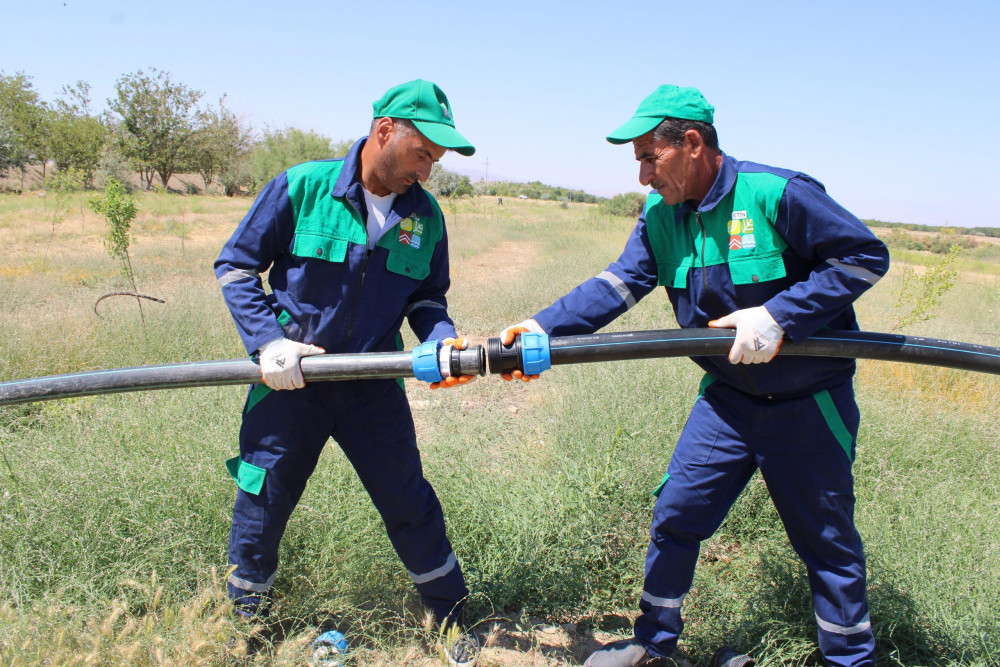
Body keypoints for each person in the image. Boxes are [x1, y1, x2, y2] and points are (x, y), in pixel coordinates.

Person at [500, 85, 889, 667]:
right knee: (677, 516)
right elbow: (618, 285)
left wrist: (780, 315)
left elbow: (863, 257)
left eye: (647, 158)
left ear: (692, 142)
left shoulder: (777, 193)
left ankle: (848, 661)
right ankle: (654, 645)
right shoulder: (660, 217)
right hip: (727, 402)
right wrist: (541, 327)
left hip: (810, 403)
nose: (642, 177)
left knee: (827, 543)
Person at [215, 79, 479, 665]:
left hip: (372, 388)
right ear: (384, 131)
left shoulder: (425, 217)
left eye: (435, 161)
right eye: (421, 155)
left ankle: (449, 618)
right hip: (291, 386)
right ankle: (243, 627)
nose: (427, 172)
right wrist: (267, 343)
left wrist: (440, 340)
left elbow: (426, 298)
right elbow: (236, 267)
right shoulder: (302, 187)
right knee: (262, 499)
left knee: (408, 498)